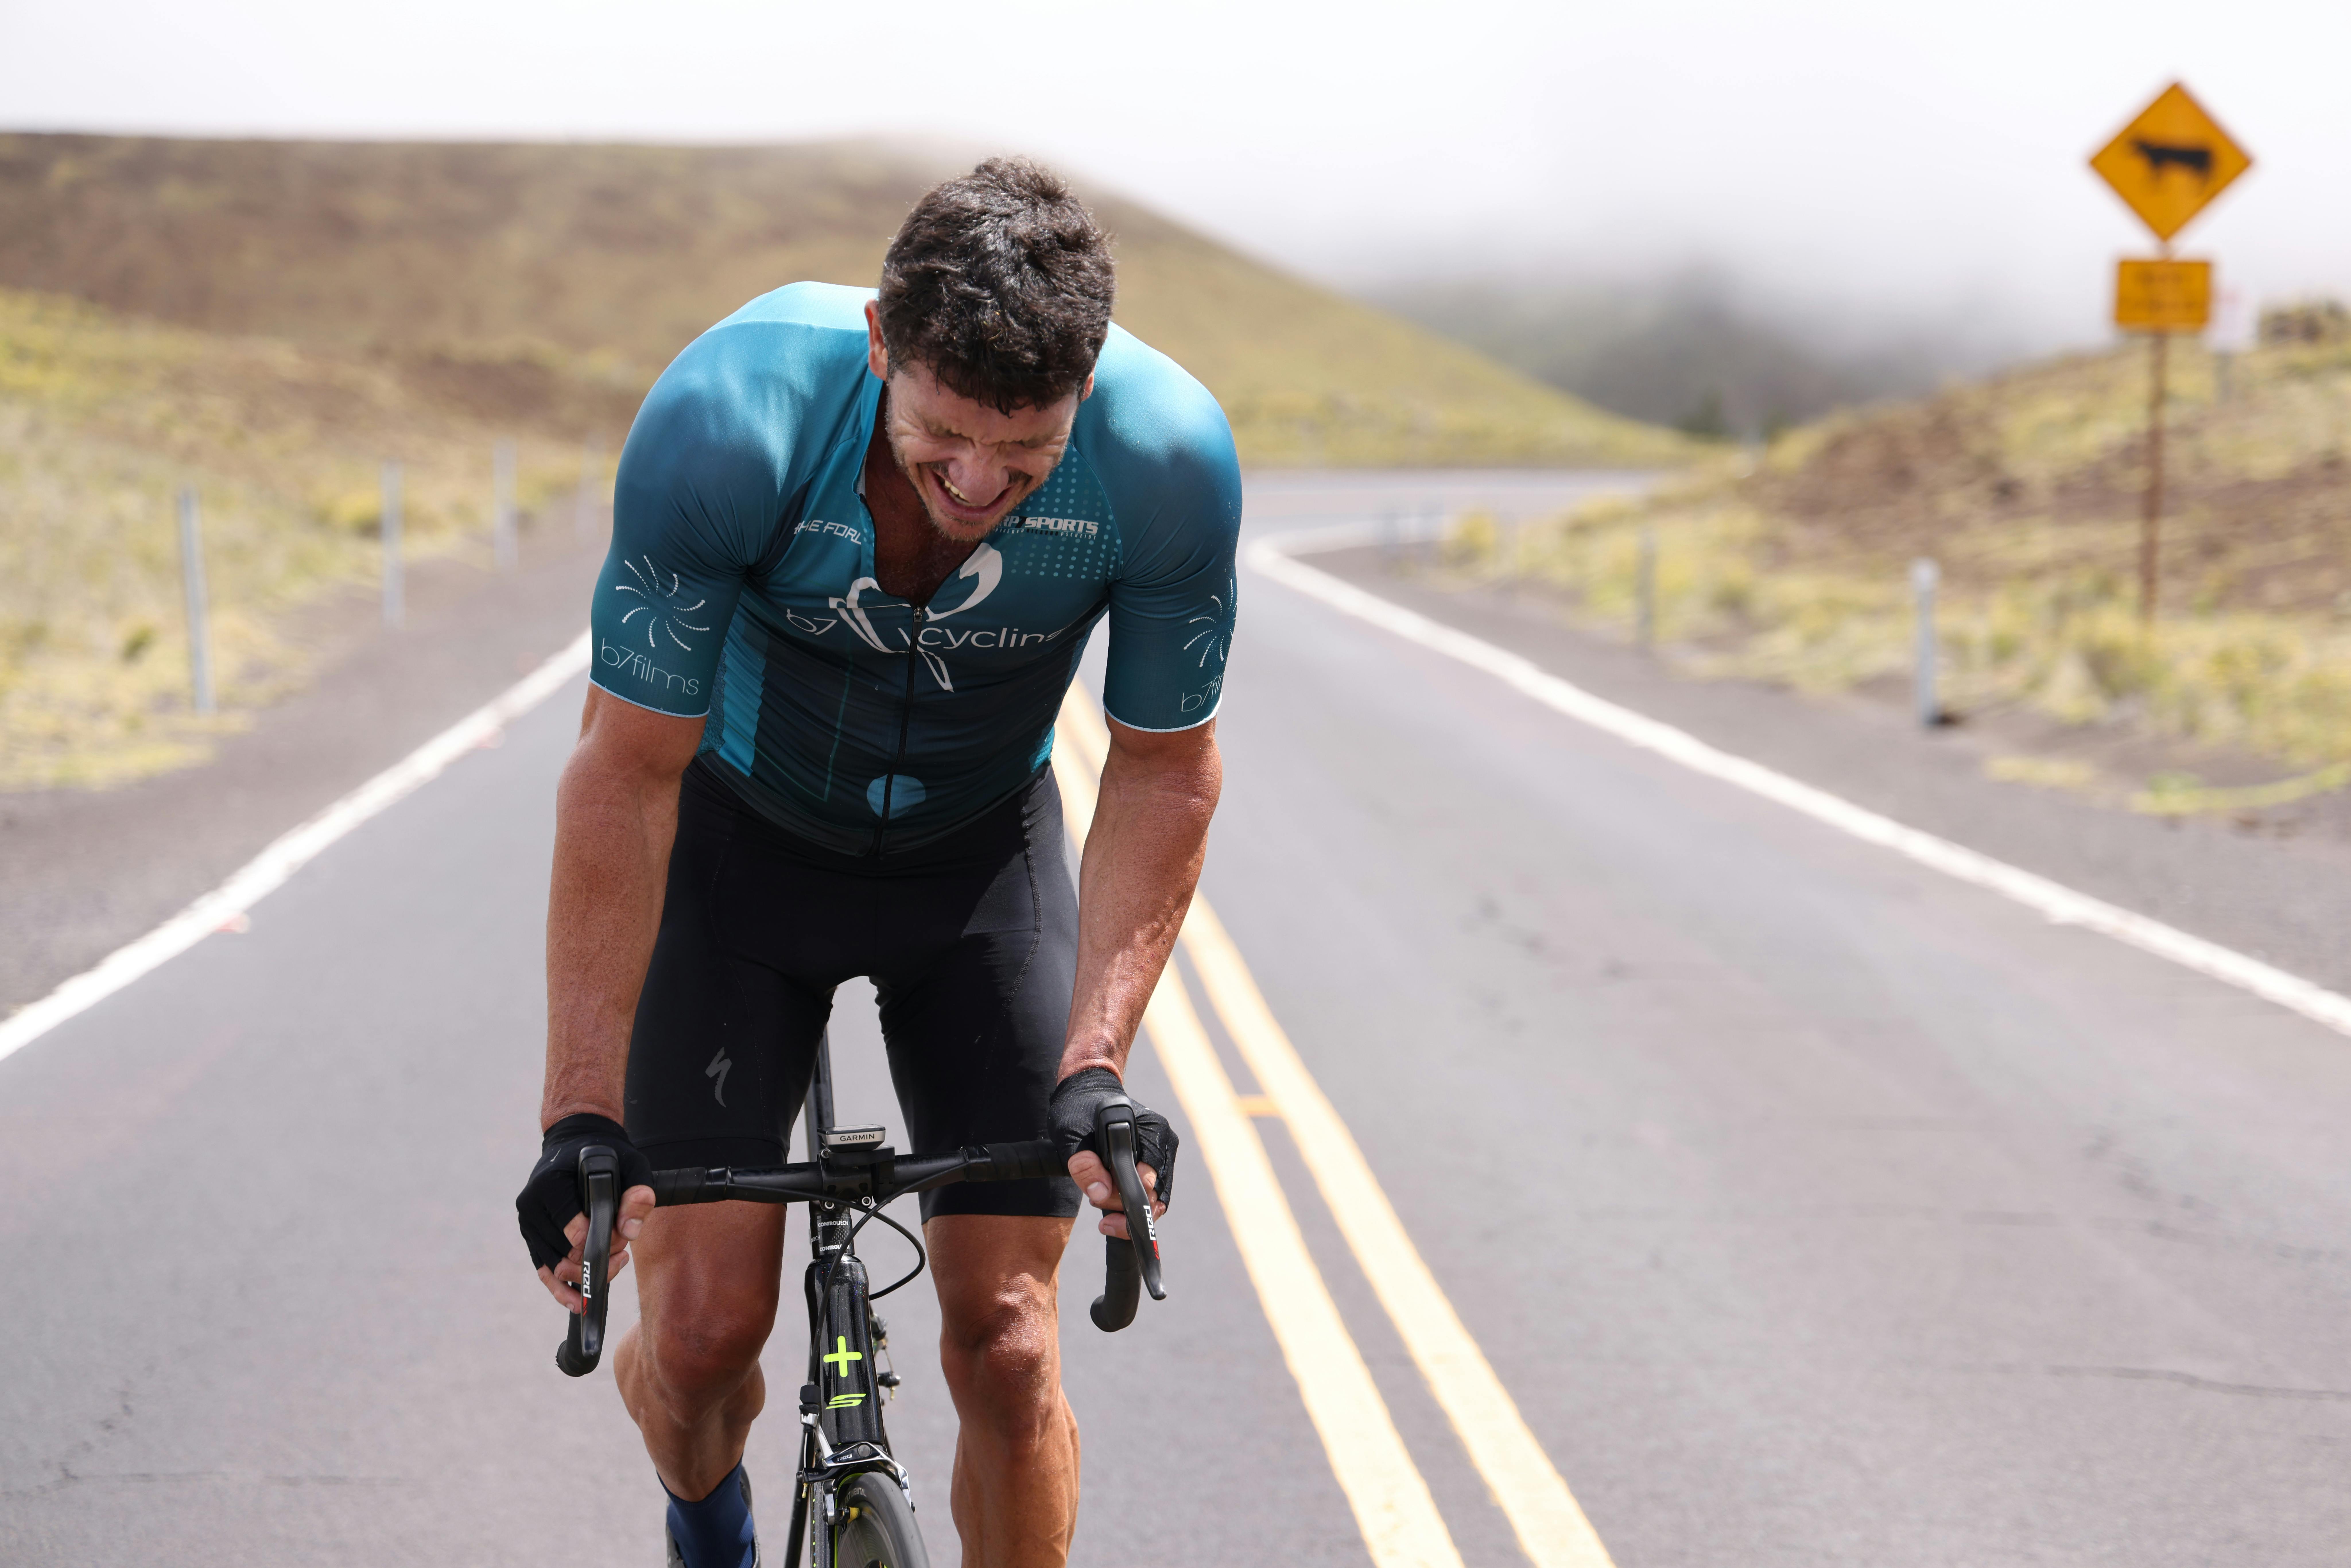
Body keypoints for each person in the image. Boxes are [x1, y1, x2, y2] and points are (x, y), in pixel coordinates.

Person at [513, 157, 1240, 1568]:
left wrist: (1095, 1062)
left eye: (1023, 456)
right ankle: (707, 1528)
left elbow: (1160, 763)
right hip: (737, 848)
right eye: (944, 436)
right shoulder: (731, 418)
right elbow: (624, 769)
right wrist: (577, 1113)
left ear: (1085, 387)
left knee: (1012, 1346)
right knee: (707, 1332)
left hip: (975, 863)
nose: (978, 483)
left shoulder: (1164, 459)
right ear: (878, 346)